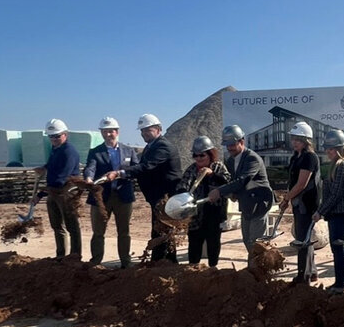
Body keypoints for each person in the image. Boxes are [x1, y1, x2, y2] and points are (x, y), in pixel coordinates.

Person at [106, 113, 182, 263]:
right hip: (157, 198)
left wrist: (121, 173)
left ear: (159, 129)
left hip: (165, 197)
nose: (144, 133)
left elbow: (147, 167)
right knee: (159, 230)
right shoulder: (150, 147)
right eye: (142, 131)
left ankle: (166, 264)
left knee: (163, 230)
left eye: (148, 130)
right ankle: (162, 262)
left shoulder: (163, 146)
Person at [207, 124, 273, 253]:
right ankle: (254, 269)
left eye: (232, 144)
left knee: (256, 243)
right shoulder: (231, 160)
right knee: (247, 240)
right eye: (227, 145)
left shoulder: (252, 158)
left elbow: (242, 180)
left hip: (259, 204)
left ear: (241, 142)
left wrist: (219, 191)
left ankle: (260, 271)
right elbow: (233, 181)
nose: (229, 148)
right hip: (246, 204)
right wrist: (231, 193)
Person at [83, 116, 139, 268]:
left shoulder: (129, 151)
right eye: (105, 132)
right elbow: (90, 167)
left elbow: (136, 170)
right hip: (101, 197)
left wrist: (121, 173)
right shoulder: (95, 152)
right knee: (98, 231)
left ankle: (126, 262)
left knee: (124, 231)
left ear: (117, 132)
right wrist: (88, 178)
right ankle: (96, 262)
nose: (108, 135)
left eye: (111, 131)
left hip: (123, 196)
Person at [312, 129, 344, 294]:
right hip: (337, 213)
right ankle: (339, 282)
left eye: (331, 149)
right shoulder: (335, 165)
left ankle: (342, 283)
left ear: (339, 148)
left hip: (343, 213)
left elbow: (336, 194)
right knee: (336, 247)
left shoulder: (343, 166)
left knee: (338, 247)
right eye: (327, 149)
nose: (327, 152)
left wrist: (320, 212)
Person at [277, 122, 321, 284]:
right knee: (305, 239)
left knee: (303, 241)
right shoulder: (296, 156)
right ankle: (312, 272)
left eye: (299, 139)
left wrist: (286, 198)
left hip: (307, 204)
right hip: (298, 202)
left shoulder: (309, 157)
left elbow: (302, 183)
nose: (294, 142)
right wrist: (289, 199)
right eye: (293, 138)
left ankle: (303, 276)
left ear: (306, 140)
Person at [177, 136, 231, 267]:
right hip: (196, 213)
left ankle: (213, 268)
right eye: (196, 155)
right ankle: (193, 267)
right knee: (195, 240)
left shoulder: (218, 166)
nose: (199, 158)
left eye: (202, 155)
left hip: (214, 212)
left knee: (213, 241)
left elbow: (228, 182)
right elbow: (183, 185)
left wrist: (211, 174)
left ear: (210, 155)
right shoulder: (192, 169)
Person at [32, 118, 82, 258]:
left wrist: (40, 194)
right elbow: (52, 165)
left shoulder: (69, 152)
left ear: (65, 134)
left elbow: (61, 178)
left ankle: (75, 256)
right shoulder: (55, 149)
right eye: (51, 136)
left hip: (66, 191)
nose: (54, 139)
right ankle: (60, 256)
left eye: (57, 136)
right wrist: (44, 168)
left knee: (72, 226)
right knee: (57, 226)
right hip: (53, 191)